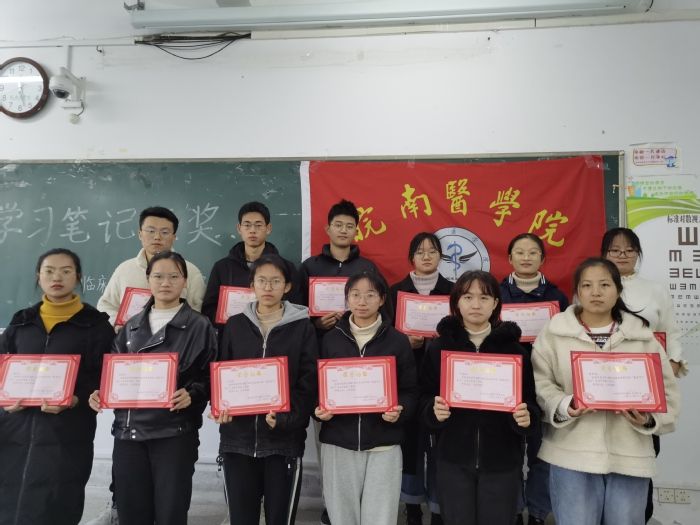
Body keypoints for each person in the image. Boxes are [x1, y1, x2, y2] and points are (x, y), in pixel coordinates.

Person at [532, 257, 680, 525]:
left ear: (618, 290)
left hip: (630, 455)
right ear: (577, 292)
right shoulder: (554, 333)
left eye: (604, 285)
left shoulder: (642, 337)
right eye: (587, 285)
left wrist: (648, 418)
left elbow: (667, 391)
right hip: (571, 454)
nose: (596, 292)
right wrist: (566, 405)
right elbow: (541, 383)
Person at [89, 251, 216, 525]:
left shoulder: (199, 326)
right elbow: (114, 371)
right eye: (158, 276)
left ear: (185, 281)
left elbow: (211, 375)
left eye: (174, 276)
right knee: (132, 512)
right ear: (148, 280)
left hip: (174, 432)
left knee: (170, 513)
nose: (165, 282)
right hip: (128, 433)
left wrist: (193, 393)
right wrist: (102, 392)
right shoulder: (131, 326)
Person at [0, 248, 114, 525]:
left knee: (58, 502)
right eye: (49, 271)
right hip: (14, 429)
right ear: (38, 276)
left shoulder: (95, 325)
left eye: (65, 271)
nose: (56, 278)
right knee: (9, 499)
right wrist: (5, 397)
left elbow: (105, 376)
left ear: (78, 277)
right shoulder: (21, 321)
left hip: (67, 431)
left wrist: (76, 399)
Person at [420, 270, 538, 525]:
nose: (476, 305)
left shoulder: (514, 351)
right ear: (456, 302)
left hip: (502, 461)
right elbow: (424, 397)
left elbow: (531, 401)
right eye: (468, 297)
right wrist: (432, 410)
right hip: (453, 459)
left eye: (484, 298)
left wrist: (526, 416)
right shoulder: (440, 348)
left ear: (495, 303)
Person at [300, 199, 390, 524]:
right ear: (327, 228)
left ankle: (364, 508)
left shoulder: (367, 269)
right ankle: (333, 506)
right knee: (329, 441)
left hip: (365, 369)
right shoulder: (309, 267)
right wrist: (316, 323)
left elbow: (384, 315)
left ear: (356, 230)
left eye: (349, 226)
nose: (343, 230)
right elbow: (294, 314)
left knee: (367, 440)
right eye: (338, 225)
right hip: (325, 362)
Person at [213, 254, 318, 525]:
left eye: (275, 281)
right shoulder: (235, 325)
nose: (268, 287)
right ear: (252, 285)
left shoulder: (302, 327)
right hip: (237, 440)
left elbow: (308, 382)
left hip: (282, 442)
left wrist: (288, 419)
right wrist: (220, 407)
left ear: (287, 286)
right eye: (262, 280)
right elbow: (222, 373)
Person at [315, 271, 417, 525]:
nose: (362, 301)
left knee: (380, 517)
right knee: (341, 517)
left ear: (382, 299)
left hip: (384, 443)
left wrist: (400, 410)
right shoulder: (330, 340)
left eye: (370, 295)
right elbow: (315, 387)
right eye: (355, 295)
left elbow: (410, 390)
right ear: (347, 299)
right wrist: (317, 409)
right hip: (338, 442)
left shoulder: (398, 341)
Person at [601, 227, 687, 522]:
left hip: (645, 383)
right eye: (615, 250)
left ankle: (640, 514)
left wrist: (672, 362)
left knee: (644, 446)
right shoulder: (593, 285)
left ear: (638, 254)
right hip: (606, 381)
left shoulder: (655, 289)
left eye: (629, 250)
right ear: (604, 254)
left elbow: (670, 331)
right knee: (605, 448)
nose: (622, 255)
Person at [499, 233, 568, 525]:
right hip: (506, 385)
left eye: (532, 252)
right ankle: (513, 510)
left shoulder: (557, 297)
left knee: (543, 453)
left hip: (547, 382)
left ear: (542, 258)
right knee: (509, 453)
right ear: (509, 258)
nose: (526, 257)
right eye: (520, 252)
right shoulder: (496, 293)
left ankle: (538, 513)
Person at [389, 232, 453, 525]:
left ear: (441, 256)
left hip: (442, 380)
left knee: (442, 446)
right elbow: (385, 335)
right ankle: (412, 506)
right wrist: (403, 341)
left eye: (432, 251)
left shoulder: (453, 291)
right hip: (406, 378)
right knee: (410, 444)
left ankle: (439, 508)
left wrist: (442, 339)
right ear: (411, 257)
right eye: (420, 251)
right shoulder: (395, 292)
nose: (426, 256)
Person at [202, 201, 302, 331]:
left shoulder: (286, 268)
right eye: (247, 225)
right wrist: (231, 323)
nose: (252, 230)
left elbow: (295, 308)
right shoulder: (222, 267)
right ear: (239, 228)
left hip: (274, 335)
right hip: (232, 336)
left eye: (258, 225)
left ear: (268, 228)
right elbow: (208, 309)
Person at [97, 206, 206, 325]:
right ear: (140, 234)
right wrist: (118, 325)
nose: (157, 237)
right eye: (151, 231)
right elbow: (106, 305)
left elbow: (199, 309)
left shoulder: (190, 271)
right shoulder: (124, 270)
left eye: (164, 232)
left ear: (174, 237)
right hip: (129, 335)